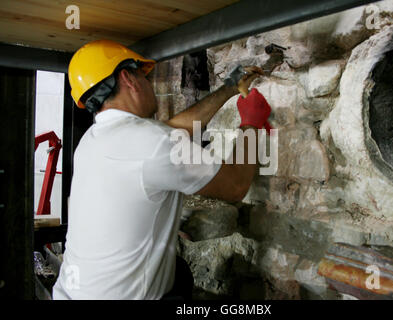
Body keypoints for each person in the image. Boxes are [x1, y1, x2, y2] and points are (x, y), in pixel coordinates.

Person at [52, 39, 271, 300]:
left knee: (178, 273)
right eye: (144, 76)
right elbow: (235, 186)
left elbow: (168, 134)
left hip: (71, 293)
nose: (149, 84)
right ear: (128, 79)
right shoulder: (153, 142)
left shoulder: (92, 140)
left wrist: (228, 88)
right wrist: (251, 124)